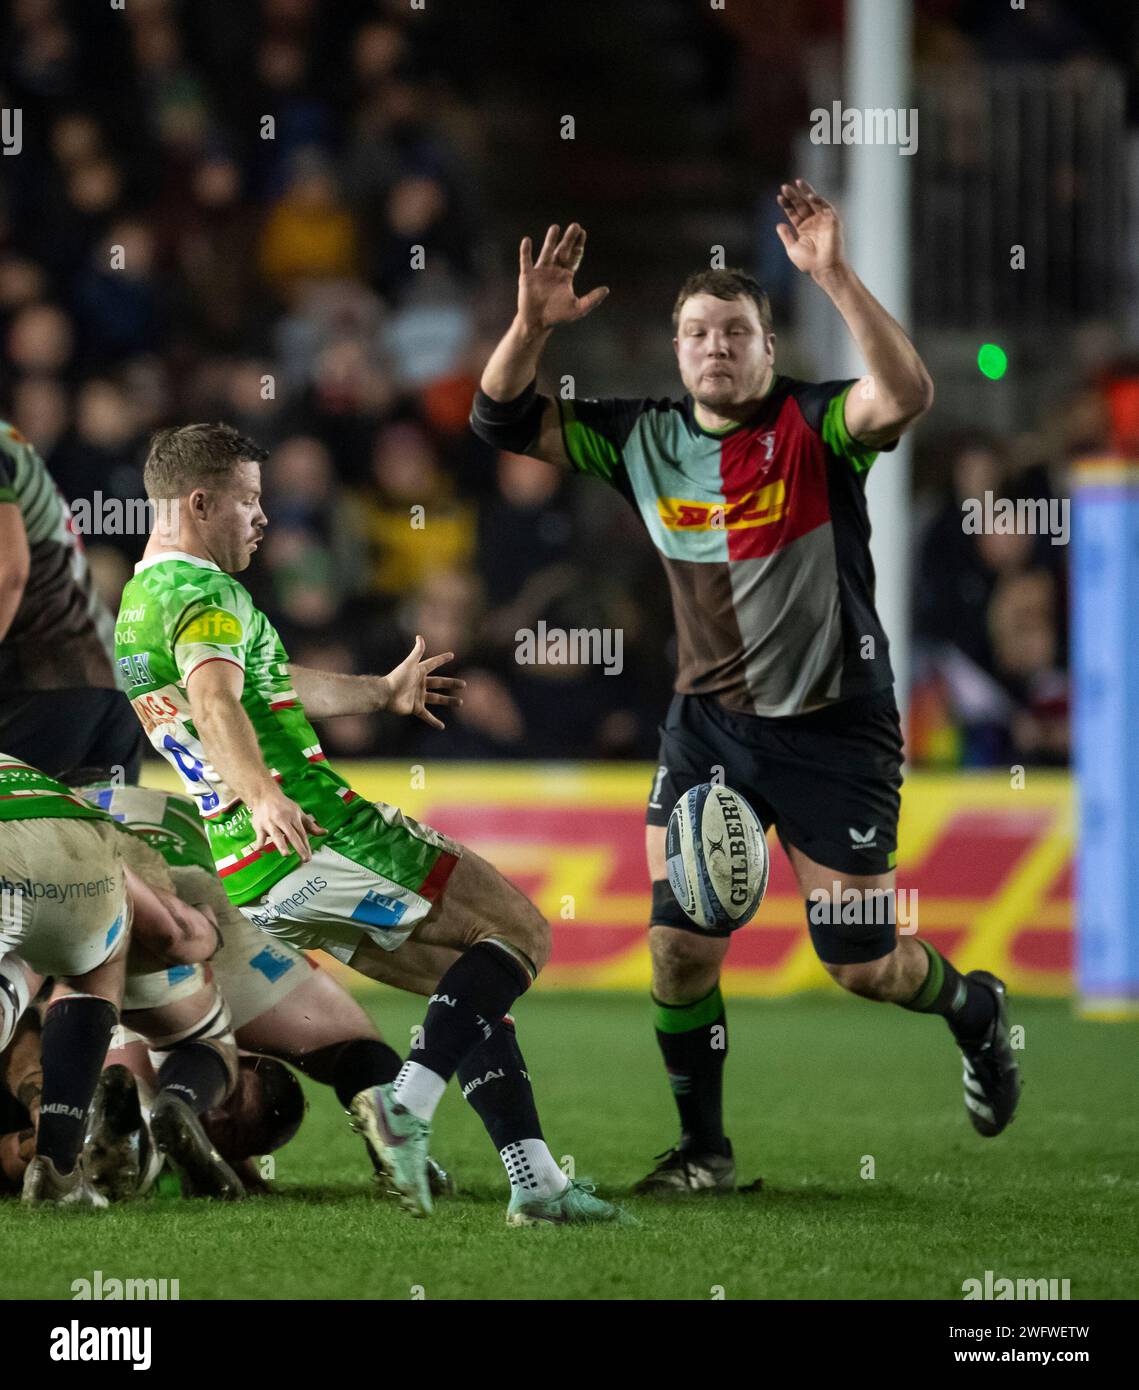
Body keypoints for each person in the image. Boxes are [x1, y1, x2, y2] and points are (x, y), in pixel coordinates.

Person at [469, 184, 1021, 1196]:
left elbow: (903, 395)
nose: (713, 346)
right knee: (678, 950)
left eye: (734, 330)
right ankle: (704, 1152)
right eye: (694, 332)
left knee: (860, 964)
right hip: (707, 729)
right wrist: (526, 325)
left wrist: (832, 277)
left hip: (833, 727)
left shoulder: (815, 427)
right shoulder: (637, 436)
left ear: (767, 346)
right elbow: (498, 417)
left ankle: (973, 1009)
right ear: (674, 351)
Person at [112, 425, 622, 1222]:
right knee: (522, 932)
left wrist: (376, 693)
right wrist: (262, 792)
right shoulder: (202, 593)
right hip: (317, 830)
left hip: (255, 873)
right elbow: (214, 701)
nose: (262, 517)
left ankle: (537, 1183)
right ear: (199, 501)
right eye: (247, 499)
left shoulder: (140, 603)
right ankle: (405, 1105)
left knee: (474, 991)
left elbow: (262, 685)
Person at [0, 754, 216, 1205]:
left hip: (20, 850)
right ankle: (57, 1171)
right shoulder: (60, 798)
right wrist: (207, 932)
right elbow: (175, 936)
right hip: (83, 857)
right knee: (94, 963)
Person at [0, 422, 144, 780]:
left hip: (41, 688)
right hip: (102, 686)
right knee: (108, 835)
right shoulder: (8, 440)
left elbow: (8, 570)